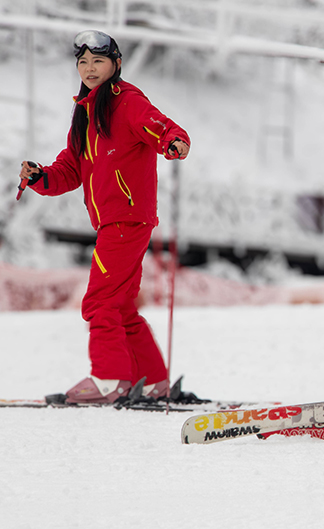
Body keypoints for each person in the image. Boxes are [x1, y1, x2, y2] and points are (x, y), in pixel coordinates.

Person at [17, 30, 190, 404]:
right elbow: (71, 168)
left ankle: (109, 379)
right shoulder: (85, 111)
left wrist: (174, 141)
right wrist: (41, 177)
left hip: (126, 218)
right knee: (121, 306)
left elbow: (159, 125)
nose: (89, 69)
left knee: (99, 302)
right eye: (83, 62)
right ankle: (152, 381)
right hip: (116, 220)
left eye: (98, 61)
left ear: (116, 64)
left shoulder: (127, 102)